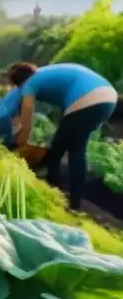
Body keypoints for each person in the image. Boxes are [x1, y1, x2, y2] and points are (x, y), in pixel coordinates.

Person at [7, 62, 118, 211]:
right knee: (75, 148)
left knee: (60, 150)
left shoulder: (29, 83)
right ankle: (73, 199)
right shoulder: (46, 73)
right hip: (109, 97)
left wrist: (22, 138)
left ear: (19, 83)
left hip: (86, 99)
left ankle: (57, 191)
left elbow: (27, 110)